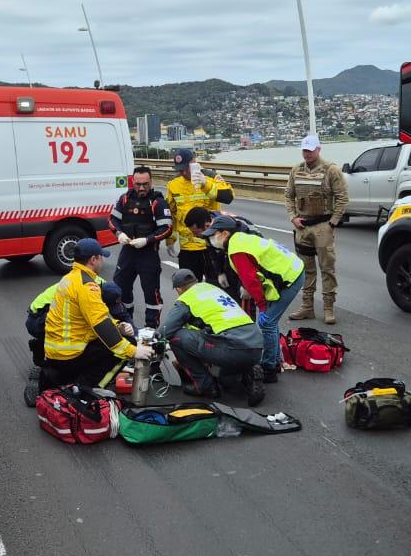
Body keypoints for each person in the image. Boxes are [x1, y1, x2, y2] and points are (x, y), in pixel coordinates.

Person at [202, 215, 305, 385]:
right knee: (270, 321)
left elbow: (251, 281)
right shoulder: (240, 238)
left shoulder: (236, 249)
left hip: (290, 278)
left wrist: (262, 305)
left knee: (267, 323)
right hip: (290, 271)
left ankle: (269, 368)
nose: (212, 238)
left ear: (225, 233)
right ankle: (276, 359)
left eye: (214, 234)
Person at [43, 239, 152, 389]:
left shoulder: (70, 278)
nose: (102, 261)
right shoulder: (86, 286)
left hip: (56, 352)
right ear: (93, 259)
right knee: (125, 346)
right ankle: (86, 388)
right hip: (69, 354)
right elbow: (101, 325)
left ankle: (74, 381)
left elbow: (96, 316)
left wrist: (118, 326)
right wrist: (133, 351)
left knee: (115, 337)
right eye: (101, 257)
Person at [158, 268, 265, 406]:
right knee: (226, 380)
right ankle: (248, 374)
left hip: (231, 348)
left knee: (177, 337)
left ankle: (205, 386)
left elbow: (165, 331)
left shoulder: (186, 298)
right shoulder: (211, 288)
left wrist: (151, 343)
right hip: (255, 345)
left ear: (178, 289)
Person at [285, 133, 349, 325]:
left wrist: (333, 223)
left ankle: (328, 308)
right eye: (304, 150)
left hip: (323, 226)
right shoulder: (296, 170)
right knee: (305, 269)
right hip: (302, 227)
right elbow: (288, 195)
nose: (307, 154)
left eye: (310, 150)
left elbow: (342, 197)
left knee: (327, 268)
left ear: (318, 149)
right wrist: (293, 217)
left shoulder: (331, 170)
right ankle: (307, 307)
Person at [109, 166, 172, 326]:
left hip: (148, 254)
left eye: (145, 184)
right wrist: (119, 233)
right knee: (120, 290)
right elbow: (112, 220)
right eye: (138, 184)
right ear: (133, 182)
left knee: (152, 294)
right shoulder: (124, 199)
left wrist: (147, 240)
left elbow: (167, 228)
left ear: (151, 182)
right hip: (128, 252)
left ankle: (150, 329)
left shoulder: (158, 202)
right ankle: (126, 324)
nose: (142, 188)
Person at [165, 147, 234, 283]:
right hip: (188, 250)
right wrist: (170, 240)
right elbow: (172, 214)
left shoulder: (211, 177)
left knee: (216, 287)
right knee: (189, 288)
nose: (184, 172)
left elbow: (228, 197)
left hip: (212, 246)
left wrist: (205, 184)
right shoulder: (173, 184)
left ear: (195, 162)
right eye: (180, 169)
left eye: (186, 168)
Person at [183, 206, 258, 303]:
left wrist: (245, 285)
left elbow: (245, 264)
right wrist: (220, 272)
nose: (194, 236)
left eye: (195, 232)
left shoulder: (232, 229)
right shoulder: (207, 221)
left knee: (244, 295)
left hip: (250, 253)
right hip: (230, 249)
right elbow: (212, 250)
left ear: (206, 226)